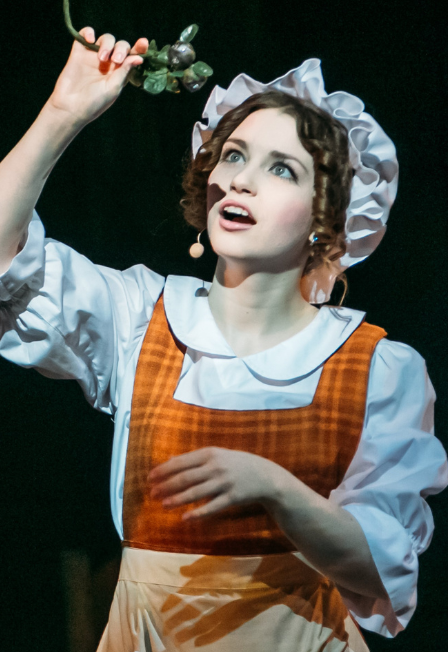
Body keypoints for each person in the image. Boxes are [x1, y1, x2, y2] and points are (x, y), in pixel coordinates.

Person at [0, 26, 446, 652]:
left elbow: (384, 567)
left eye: (281, 168)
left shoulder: (378, 369)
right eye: (232, 156)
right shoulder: (142, 317)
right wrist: (62, 114)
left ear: (325, 218)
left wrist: (274, 487)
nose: (239, 180)